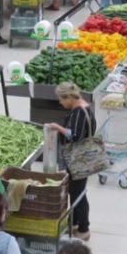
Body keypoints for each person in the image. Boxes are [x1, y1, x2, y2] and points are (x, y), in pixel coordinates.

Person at [45, 82, 95, 241]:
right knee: (76, 191)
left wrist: (57, 128)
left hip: (79, 158)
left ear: (68, 97)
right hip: (84, 157)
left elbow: (75, 136)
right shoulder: (85, 108)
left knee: (77, 193)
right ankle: (75, 222)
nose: (60, 103)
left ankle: (83, 229)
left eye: (61, 99)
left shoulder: (80, 112)